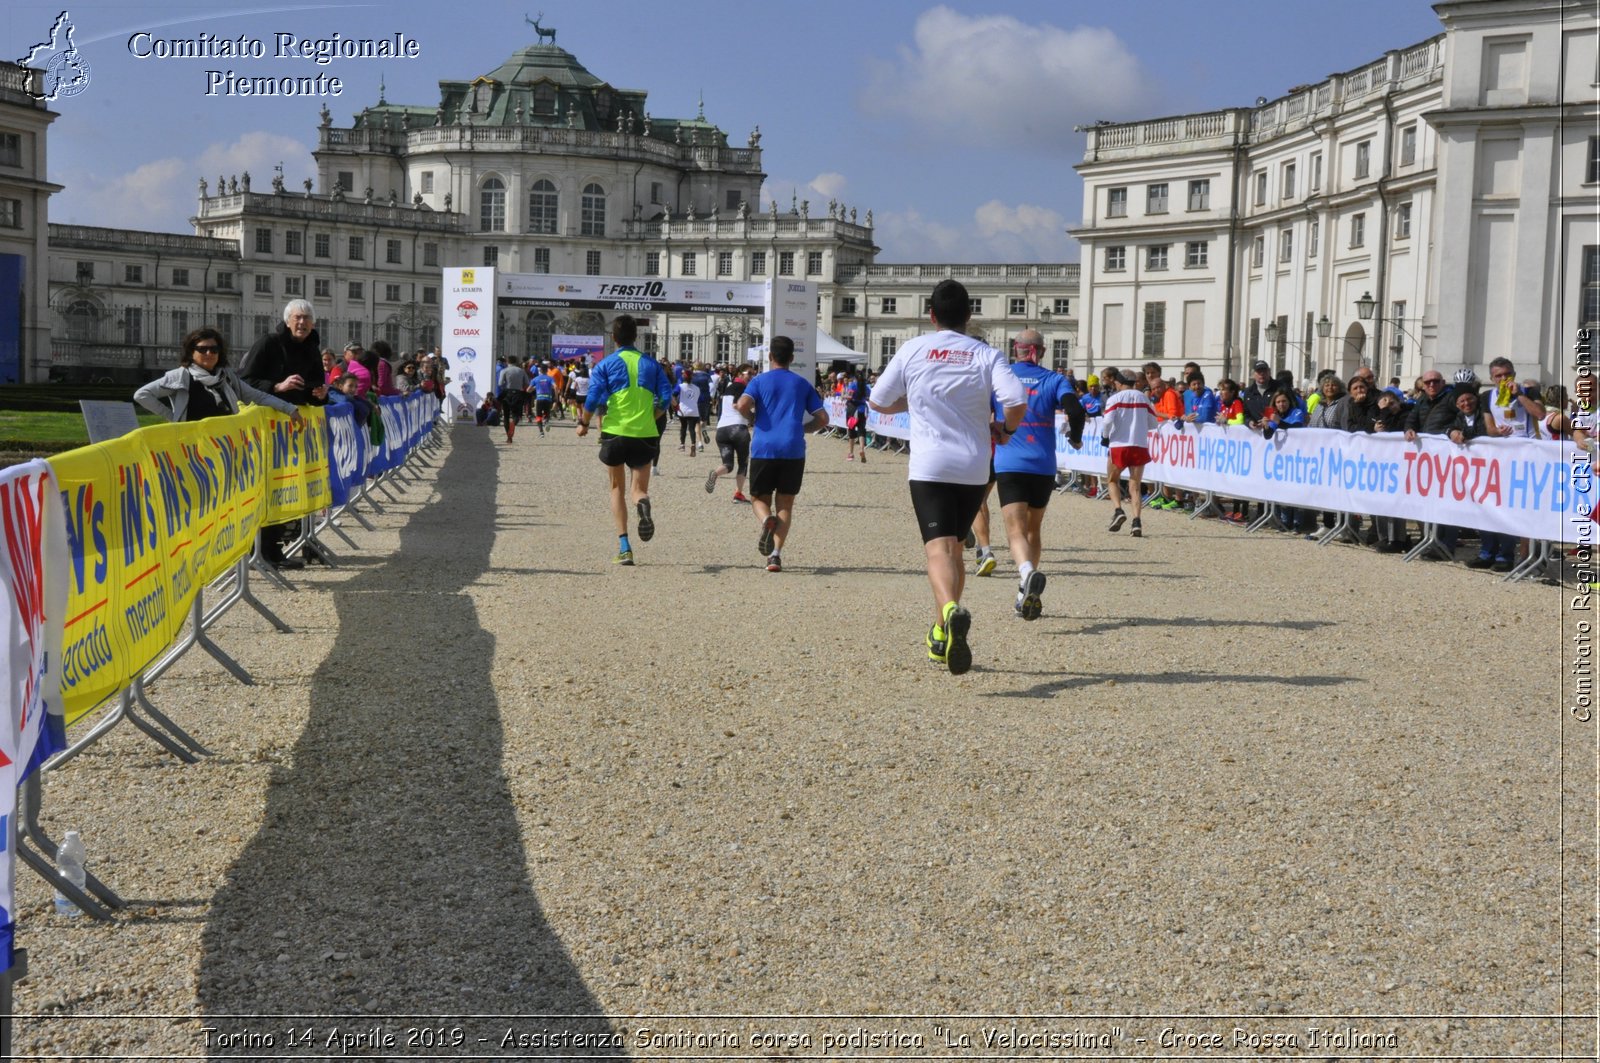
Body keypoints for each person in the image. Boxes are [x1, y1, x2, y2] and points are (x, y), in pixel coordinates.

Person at [868, 279, 1027, 674]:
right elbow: (1017, 402)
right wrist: (1004, 430)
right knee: (956, 548)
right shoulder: (986, 354)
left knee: (937, 551)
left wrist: (915, 400)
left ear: (931, 315)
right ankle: (941, 631)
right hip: (974, 466)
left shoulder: (913, 348)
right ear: (970, 315)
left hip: (930, 466)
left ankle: (951, 610)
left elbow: (878, 401)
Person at [992, 329, 1085, 620]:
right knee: (1034, 529)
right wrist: (1077, 439)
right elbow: (1076, 410)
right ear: (1041, 352)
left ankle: (1027, 574)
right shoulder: (1055, 379)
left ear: (1015, 350)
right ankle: (1024, 596)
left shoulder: (1002, 376)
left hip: (1010, 462)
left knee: (1015, 531)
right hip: (1043, 465)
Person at [239, 300, 329, 568]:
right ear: (288, 320)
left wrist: (320, 395)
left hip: (293, 430)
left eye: (307, 319)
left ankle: (274, 547)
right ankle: (259, 549)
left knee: (287, 487)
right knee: (265, 487)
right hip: (264, 427)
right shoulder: (268, 343)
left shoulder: (312, 347)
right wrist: (277, 386)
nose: (302, 323)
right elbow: (244, 381)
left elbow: (315, 387)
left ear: (313, 323)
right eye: (298, 318)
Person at [576, 315, 673, 565]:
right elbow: (665, 397)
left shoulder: (605, 364)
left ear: (613, 338)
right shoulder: (651, 364)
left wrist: (584, 424)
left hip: (616, 432)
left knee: (616, 488)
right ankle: (642, 504)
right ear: (636, 336)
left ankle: (624, 547)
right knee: (638, 489)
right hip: (645, 433)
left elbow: (593, 397)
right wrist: (652, 416)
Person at [735, 337, 828, 572]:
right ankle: (775, 555)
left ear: (770, 357)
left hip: (764, 447)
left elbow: (742, 405)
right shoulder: (801, 384)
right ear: (792, 359)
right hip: (793, 448)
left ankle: (766, 520)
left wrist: (752, 419)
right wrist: (803, 428)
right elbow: (823, 419)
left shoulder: (759, 381)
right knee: (785, 503)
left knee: (758, 498)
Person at [135, 327, 302, 425]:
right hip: (193, 448)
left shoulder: (226, 376)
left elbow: (257, 396)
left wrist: (289, 409)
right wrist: (174, 418)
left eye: (214, 349)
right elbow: (142, 395)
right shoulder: (181, 376)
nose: (209, 353)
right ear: (191, 352)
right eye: (202, 349)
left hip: (225, 447)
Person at [1099, 368, 1154, 538]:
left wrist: (1105, 437)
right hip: (1139, 444)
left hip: (1119, 444)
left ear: (1120, 382)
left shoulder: (1114, 398)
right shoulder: (1144, 398)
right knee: (1135, 485)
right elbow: (1153, 423)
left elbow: (1107, 421)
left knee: (1112, 480)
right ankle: (1136, 521)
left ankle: (1118, 510)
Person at [705, 365, 753, 502]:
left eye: (752, 374)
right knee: (743, 463)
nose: (751, 376)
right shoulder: (742, 388)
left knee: (728, 465)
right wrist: (751, 417)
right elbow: (737, 405)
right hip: (737, 429)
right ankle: (738, 494)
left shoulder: (727, 389)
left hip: (722, 430)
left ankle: (715, 473)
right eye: (748, 373)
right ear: (739, 374)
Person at [497, 356, 530, 442]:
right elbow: (527, 383)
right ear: (516, 361)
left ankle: (509, 437)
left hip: (507, 393)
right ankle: (514, 423)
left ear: (507, 361)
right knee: (517, 415)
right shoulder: (521, 371)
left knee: (506, 416)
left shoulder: (504, 370)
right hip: (518, 393)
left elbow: (500, 383)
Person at [843, 367, 871, 462]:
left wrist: (844, 396)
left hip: (852, 409)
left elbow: (850, 397)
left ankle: (851, 453)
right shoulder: (866, 386)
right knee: (861, 430)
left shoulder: (852, 385)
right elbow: (868, 396)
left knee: (851, 430)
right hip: (862, 409)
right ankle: (862, 449)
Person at [674, 373, 703, 456]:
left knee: (683, 427)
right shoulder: (697, 388)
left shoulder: (680, 386)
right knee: (692, 429)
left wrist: (676, 405)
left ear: (683, 378)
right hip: (694, 411)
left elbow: (674, 394)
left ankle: (682, 445)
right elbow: (700, 399)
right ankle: (693, 444)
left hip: (683, 410)